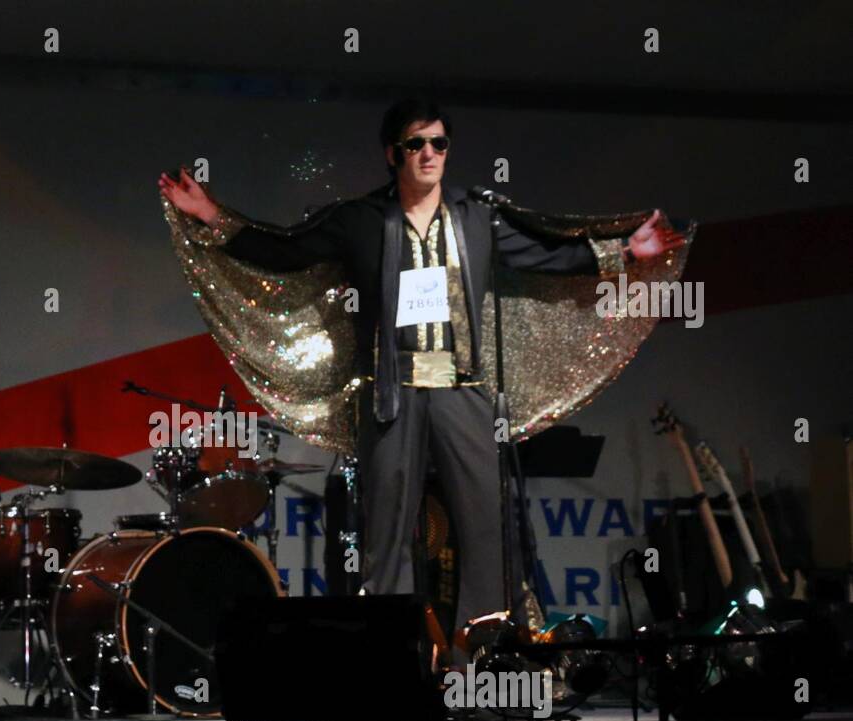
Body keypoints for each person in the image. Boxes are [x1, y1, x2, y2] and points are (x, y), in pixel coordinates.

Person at [160, 97, 686, 629]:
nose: (429, 153)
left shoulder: (475, 216)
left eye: (439, 143)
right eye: (416, 143)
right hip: (393, 394)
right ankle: (396, 656)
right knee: (387, 529)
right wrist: (211, 215)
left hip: (463, 390)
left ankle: (479, 659)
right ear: (393, 154)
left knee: (485, 526)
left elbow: (546, 256)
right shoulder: (360, 219)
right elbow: (285, 251)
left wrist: (625, 252)